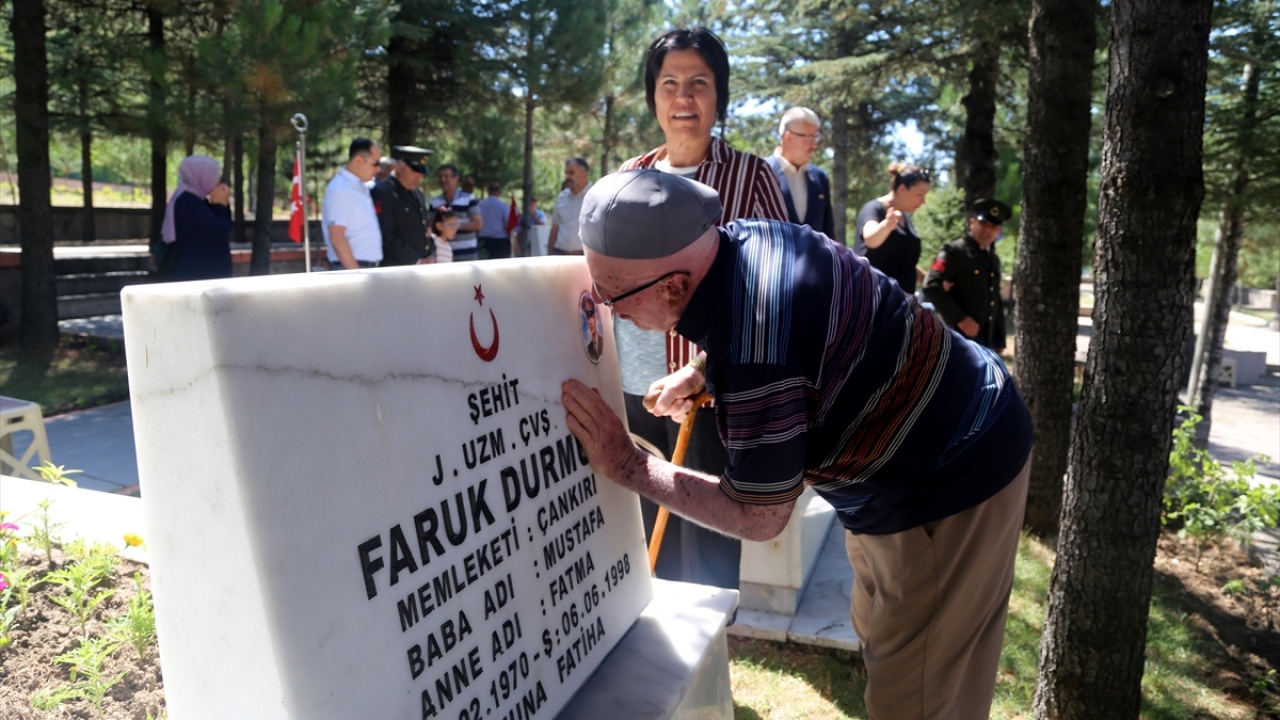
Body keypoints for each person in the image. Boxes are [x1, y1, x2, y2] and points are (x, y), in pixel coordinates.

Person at [562, 169, 1032, 719]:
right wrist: (699, 373)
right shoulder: (746, 238)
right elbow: (798, 331)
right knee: (886, 634)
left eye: (614, 297)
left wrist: (629, 464)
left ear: (672, 286)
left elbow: (759, 517)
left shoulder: (755, 340)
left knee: (921, 697)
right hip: (910, 458)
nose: (610, 311)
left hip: (947, 480)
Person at [615, 27, 788, 588]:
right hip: (636, 391)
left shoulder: (751, 178)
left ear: (719, 96)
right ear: (653, 96)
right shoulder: (627, 178)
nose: (683, 98)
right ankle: (657, 666)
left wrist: (701, 368)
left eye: (698, 83)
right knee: (644, 535)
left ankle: (706, 660)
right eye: (669, 84)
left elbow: (774, 284)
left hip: (710, 396)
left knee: (706, 546)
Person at [922, 199, 1012, 352]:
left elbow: (994, 299)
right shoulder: (955, 251)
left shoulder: (992, 259)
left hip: (985, 340)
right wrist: (960, 318)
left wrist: (999, 338)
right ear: (972, 223)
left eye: (994, 226)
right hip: (958, 339)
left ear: (999, 230)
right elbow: (931, 286)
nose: (988, 230)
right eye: (983, 224)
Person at [853, 163, 931, 294]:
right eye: (920, 194)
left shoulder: (905, 218)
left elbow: (904, 263)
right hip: (873, 300)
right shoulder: (874, 209)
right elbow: (870, 239)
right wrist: (887, 225)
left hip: (902, 305)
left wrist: (929, 279)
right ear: (902, 189)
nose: (923, 201)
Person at [764, 107, 834, 238]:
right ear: (789, 137)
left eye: (816, 137)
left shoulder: (820, 178)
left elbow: (828, 234)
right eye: (810, 137)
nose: (814, 145)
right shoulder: (760, 173)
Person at [162, 154, 233, 281]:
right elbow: (219, 230)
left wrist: (223, 204)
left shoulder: (200, 201)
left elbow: (226, 227)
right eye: (213, 176)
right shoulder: (188, 202)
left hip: (208, 277)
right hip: (197, 277)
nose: (217, 181)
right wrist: (220, 205)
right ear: (202, 176)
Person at [322, 138, 383, 270]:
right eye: (375, 163)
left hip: (362, 267)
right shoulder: (341, 189)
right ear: (358, 160)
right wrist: (357, 276)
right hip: (351, 268)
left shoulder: (358, 185)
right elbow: (337, 237)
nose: (378, 169)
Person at [371, 145, 436, 266]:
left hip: (423, 265)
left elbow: (424, 228)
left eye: (421, 175)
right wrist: (416, 260)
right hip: (396, 268)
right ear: (398, 167)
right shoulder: (383, 191)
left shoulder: (418, 194)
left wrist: (431, 252)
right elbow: (386, 235)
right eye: (414, 172)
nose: (418, 178)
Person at [430, 165, 483, 262]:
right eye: (440, 176)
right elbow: (431, 226)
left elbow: (478, 223)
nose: (442, 180)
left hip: (467, 255)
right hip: (442, 254)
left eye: (446, 176)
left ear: (456, 178)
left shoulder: (468, 198)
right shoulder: (434, 202)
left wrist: (453, 226)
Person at [547, 158, 592, 256]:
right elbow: (555, 228)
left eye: (571, 173)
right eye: (566, 173)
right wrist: (549, 254)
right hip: (560, 254)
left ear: (584, 175)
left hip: (584, 257)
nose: (567, 177)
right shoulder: (562, 197)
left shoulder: (595, 196)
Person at [476, 181, 513, 259]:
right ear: (499, 192)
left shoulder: (480, 205)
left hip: (483, 240)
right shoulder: (503, 206)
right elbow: (508, 224)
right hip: (500, 242)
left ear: (488, 191)